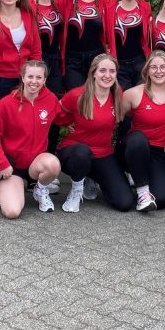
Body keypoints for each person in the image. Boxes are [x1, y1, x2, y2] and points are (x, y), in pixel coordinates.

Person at [56, 54, 134, 213]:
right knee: (82, 153)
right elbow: (56, 113)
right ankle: (76, 189)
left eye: (112, 71)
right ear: (93, 73)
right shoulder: (77, 95)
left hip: (103, 154)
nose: (107, 75)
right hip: (75, 152)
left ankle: (93, 177)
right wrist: (67, 122)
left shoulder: (117, 94)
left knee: (125, 203)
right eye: (102, 70)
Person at [0, 60, 62, 218]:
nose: (34, 81)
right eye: (30, 77)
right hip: (12, 166)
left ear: (44, 80)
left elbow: (62, 118)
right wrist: (2, 163)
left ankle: (40, 190)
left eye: (39, 77)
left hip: (36, 163)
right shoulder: (6, 103)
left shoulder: (51, 100)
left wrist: (77, 124)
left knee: (53, 164)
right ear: (22, 78)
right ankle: (3, 188)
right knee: (12, 212)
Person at [120, 51, 165, 211]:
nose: (158, 71)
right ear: (147, 71)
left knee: (162, 199)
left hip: (160, 152)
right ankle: (142, 191)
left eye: (163, 67)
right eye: (154, 67)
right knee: (138, 138)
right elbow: (115, 118)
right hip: (135, 147)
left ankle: (148, 177)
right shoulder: (133, 94)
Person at [58, 0, 111, 90]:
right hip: (72, 60)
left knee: (97, 96)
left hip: (97, 59)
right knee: (76, 96)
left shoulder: (104, 2)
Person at [105, 0, 152, 90]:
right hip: (119, 63)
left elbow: (148, 36)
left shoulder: (145, 7)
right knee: (124, 98)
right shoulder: (110, 8)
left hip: (140, 62)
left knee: (142, 96)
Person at [30, 0, 63, 99]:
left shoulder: (58, 4)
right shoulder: (28, 6)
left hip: (55, 60)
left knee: (55, 98)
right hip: (35, 59)